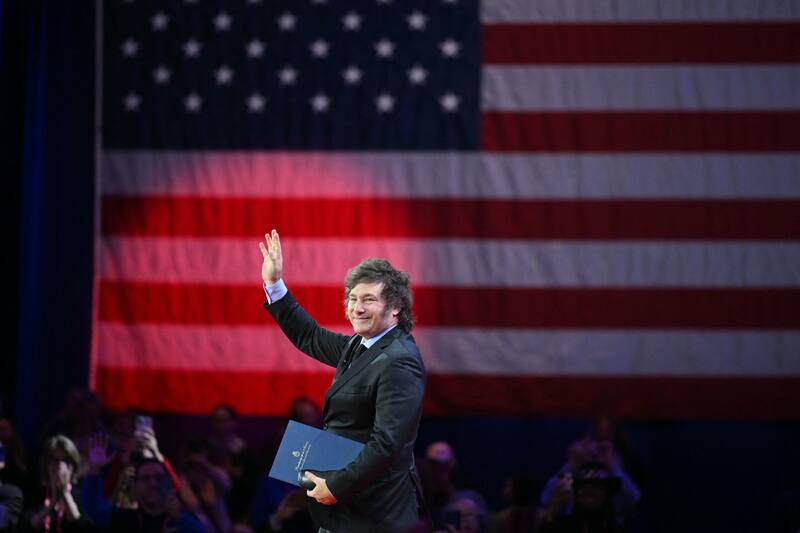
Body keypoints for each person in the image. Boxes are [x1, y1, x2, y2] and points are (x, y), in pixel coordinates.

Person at [259, 229, 426, 533]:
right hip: (351, 510)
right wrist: (275, 284)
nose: (357, 308)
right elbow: (310, 336)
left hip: (376, 514)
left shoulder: (399, 361)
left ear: (396, 307)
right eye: (352, 298)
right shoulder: (362, 344)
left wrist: (335, 485)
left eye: (369, 300)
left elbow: (387, 443)